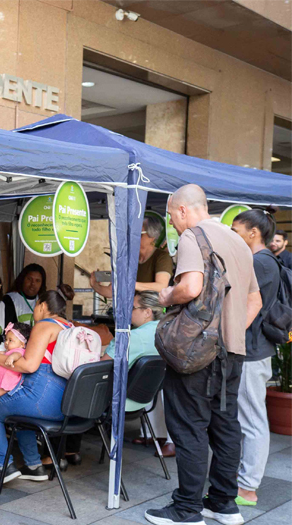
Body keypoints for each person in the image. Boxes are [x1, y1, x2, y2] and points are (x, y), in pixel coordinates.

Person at [146, 184, 261, 525]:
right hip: (232, 352)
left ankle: (187, 509)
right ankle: (224, 505)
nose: (171, 221)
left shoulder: (194, 237)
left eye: (170, 214)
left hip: (197, 353)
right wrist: (230, 331)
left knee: (188, 427)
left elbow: (191, 287)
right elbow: (254, 301)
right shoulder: (238, 242)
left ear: (183, 210)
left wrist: (166, 296)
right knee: (226, 427)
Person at [0, 285, 76, 489]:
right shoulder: (69, 326)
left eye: (36, 306)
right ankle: (33, 466)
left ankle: (4, 466)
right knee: (19, 412)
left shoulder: (44, 325)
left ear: (42, 306)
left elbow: (29, 365)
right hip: (65, 402)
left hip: (42, 398)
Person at [231, 209, 280, 508]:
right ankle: (242, 480)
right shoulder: (263, 261)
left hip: (252, 351)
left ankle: (248, 487)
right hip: (253, 350)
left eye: (235, 231)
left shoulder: (260, 262)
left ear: (253, 233)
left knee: (252, 420)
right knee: (247, 418)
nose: (232, 236)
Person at [101, 291, 172, 454]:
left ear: (147, 312)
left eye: (132, 308)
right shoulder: (167, 333)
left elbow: (101, 366)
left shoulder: (132, 337)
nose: (128, 311)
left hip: (119, 401)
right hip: (146, 399)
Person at [90, 214, 174, 297]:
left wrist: (129, 284)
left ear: (152, 236)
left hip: (151, 306)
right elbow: (112, 291)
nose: (132, 238)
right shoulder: (128, 258)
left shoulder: (162, 257)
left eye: (138, 234)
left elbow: (161, 286)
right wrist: (95, 285)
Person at [0, 322, 32, 423]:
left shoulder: (19, 351)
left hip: (10, 384)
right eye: (6, 340)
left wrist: (11, 357)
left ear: (22, 344)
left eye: (10, 340)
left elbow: (17, 355)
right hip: (5, 382)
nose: (7, 343)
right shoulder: (8, 351)